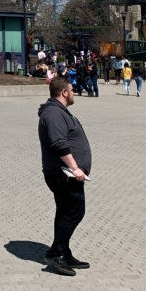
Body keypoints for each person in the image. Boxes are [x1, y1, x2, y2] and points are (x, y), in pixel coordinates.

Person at [37, 76, 92, 277]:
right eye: (72, 89)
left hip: (65, 173)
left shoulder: (58, 111)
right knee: (75, 211)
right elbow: (59, 143)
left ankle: (64, 252)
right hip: (63, 174)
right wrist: (75, 168)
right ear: (64, 92)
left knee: (65, 211)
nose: (74, 92)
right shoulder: (53, 114)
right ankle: (55, 254)